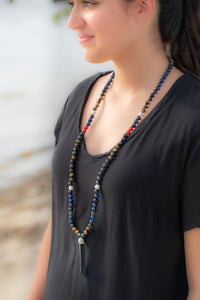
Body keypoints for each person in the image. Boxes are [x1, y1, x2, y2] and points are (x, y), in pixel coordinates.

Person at [27, 0, 200, 299]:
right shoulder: (79, 98)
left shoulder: (191, 116)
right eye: (72, 4)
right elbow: (59, 224)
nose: (72, 21)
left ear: (143, 7)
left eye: (89, 3)